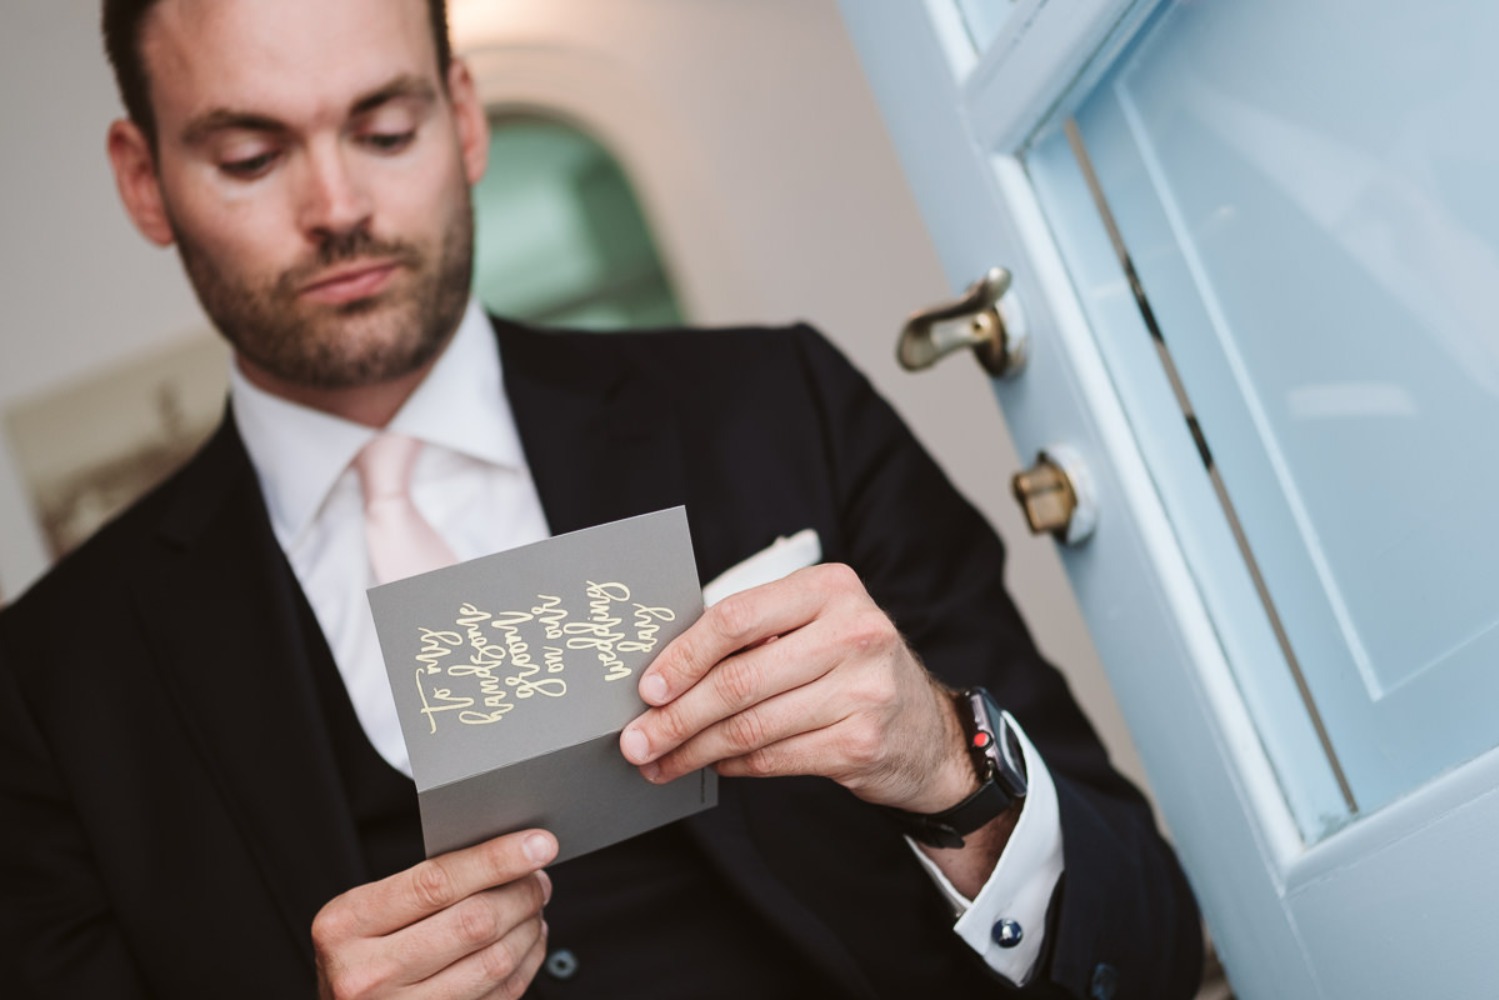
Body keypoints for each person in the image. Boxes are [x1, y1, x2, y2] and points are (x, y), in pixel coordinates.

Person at [0, 0, 1203, 996]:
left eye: (385, 128)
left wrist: (947, 765)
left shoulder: (774, 404)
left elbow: (1142, 941)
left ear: (464, 119)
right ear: (144, 179)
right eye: (251, 156)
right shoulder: (50, 678)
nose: (337, 209)